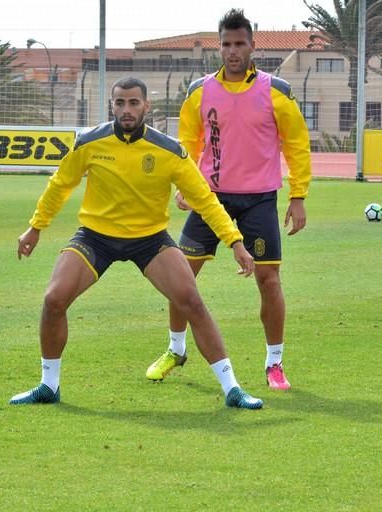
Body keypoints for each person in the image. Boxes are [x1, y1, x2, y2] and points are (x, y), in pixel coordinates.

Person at [9, 76, 263, 410]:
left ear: (146, 106)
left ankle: (232, 389)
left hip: (149, 239)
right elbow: (60, 185)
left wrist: (235, 242)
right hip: (96, 237)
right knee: (54, 299)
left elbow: (204, 199)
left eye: (133, 103)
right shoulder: (89, 142)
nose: (126, 110)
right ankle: (48, 385)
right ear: (111, 105)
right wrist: (35, 227)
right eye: (119, 103)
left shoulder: (169, 151)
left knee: (191, 300)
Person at [145, 9, 311, 390]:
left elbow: (297, 146)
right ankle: (175, 349)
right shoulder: (200, 91)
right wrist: (184, 186)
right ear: (219, 47)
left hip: (259, 201)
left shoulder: (276, 91)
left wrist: (298, 196)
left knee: (269, 280)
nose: (232, 51)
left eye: (239, 43)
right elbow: (187, 144)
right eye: (226, 44)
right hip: (210, 200)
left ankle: (274, 363)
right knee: (180, 277)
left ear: (253, 46)